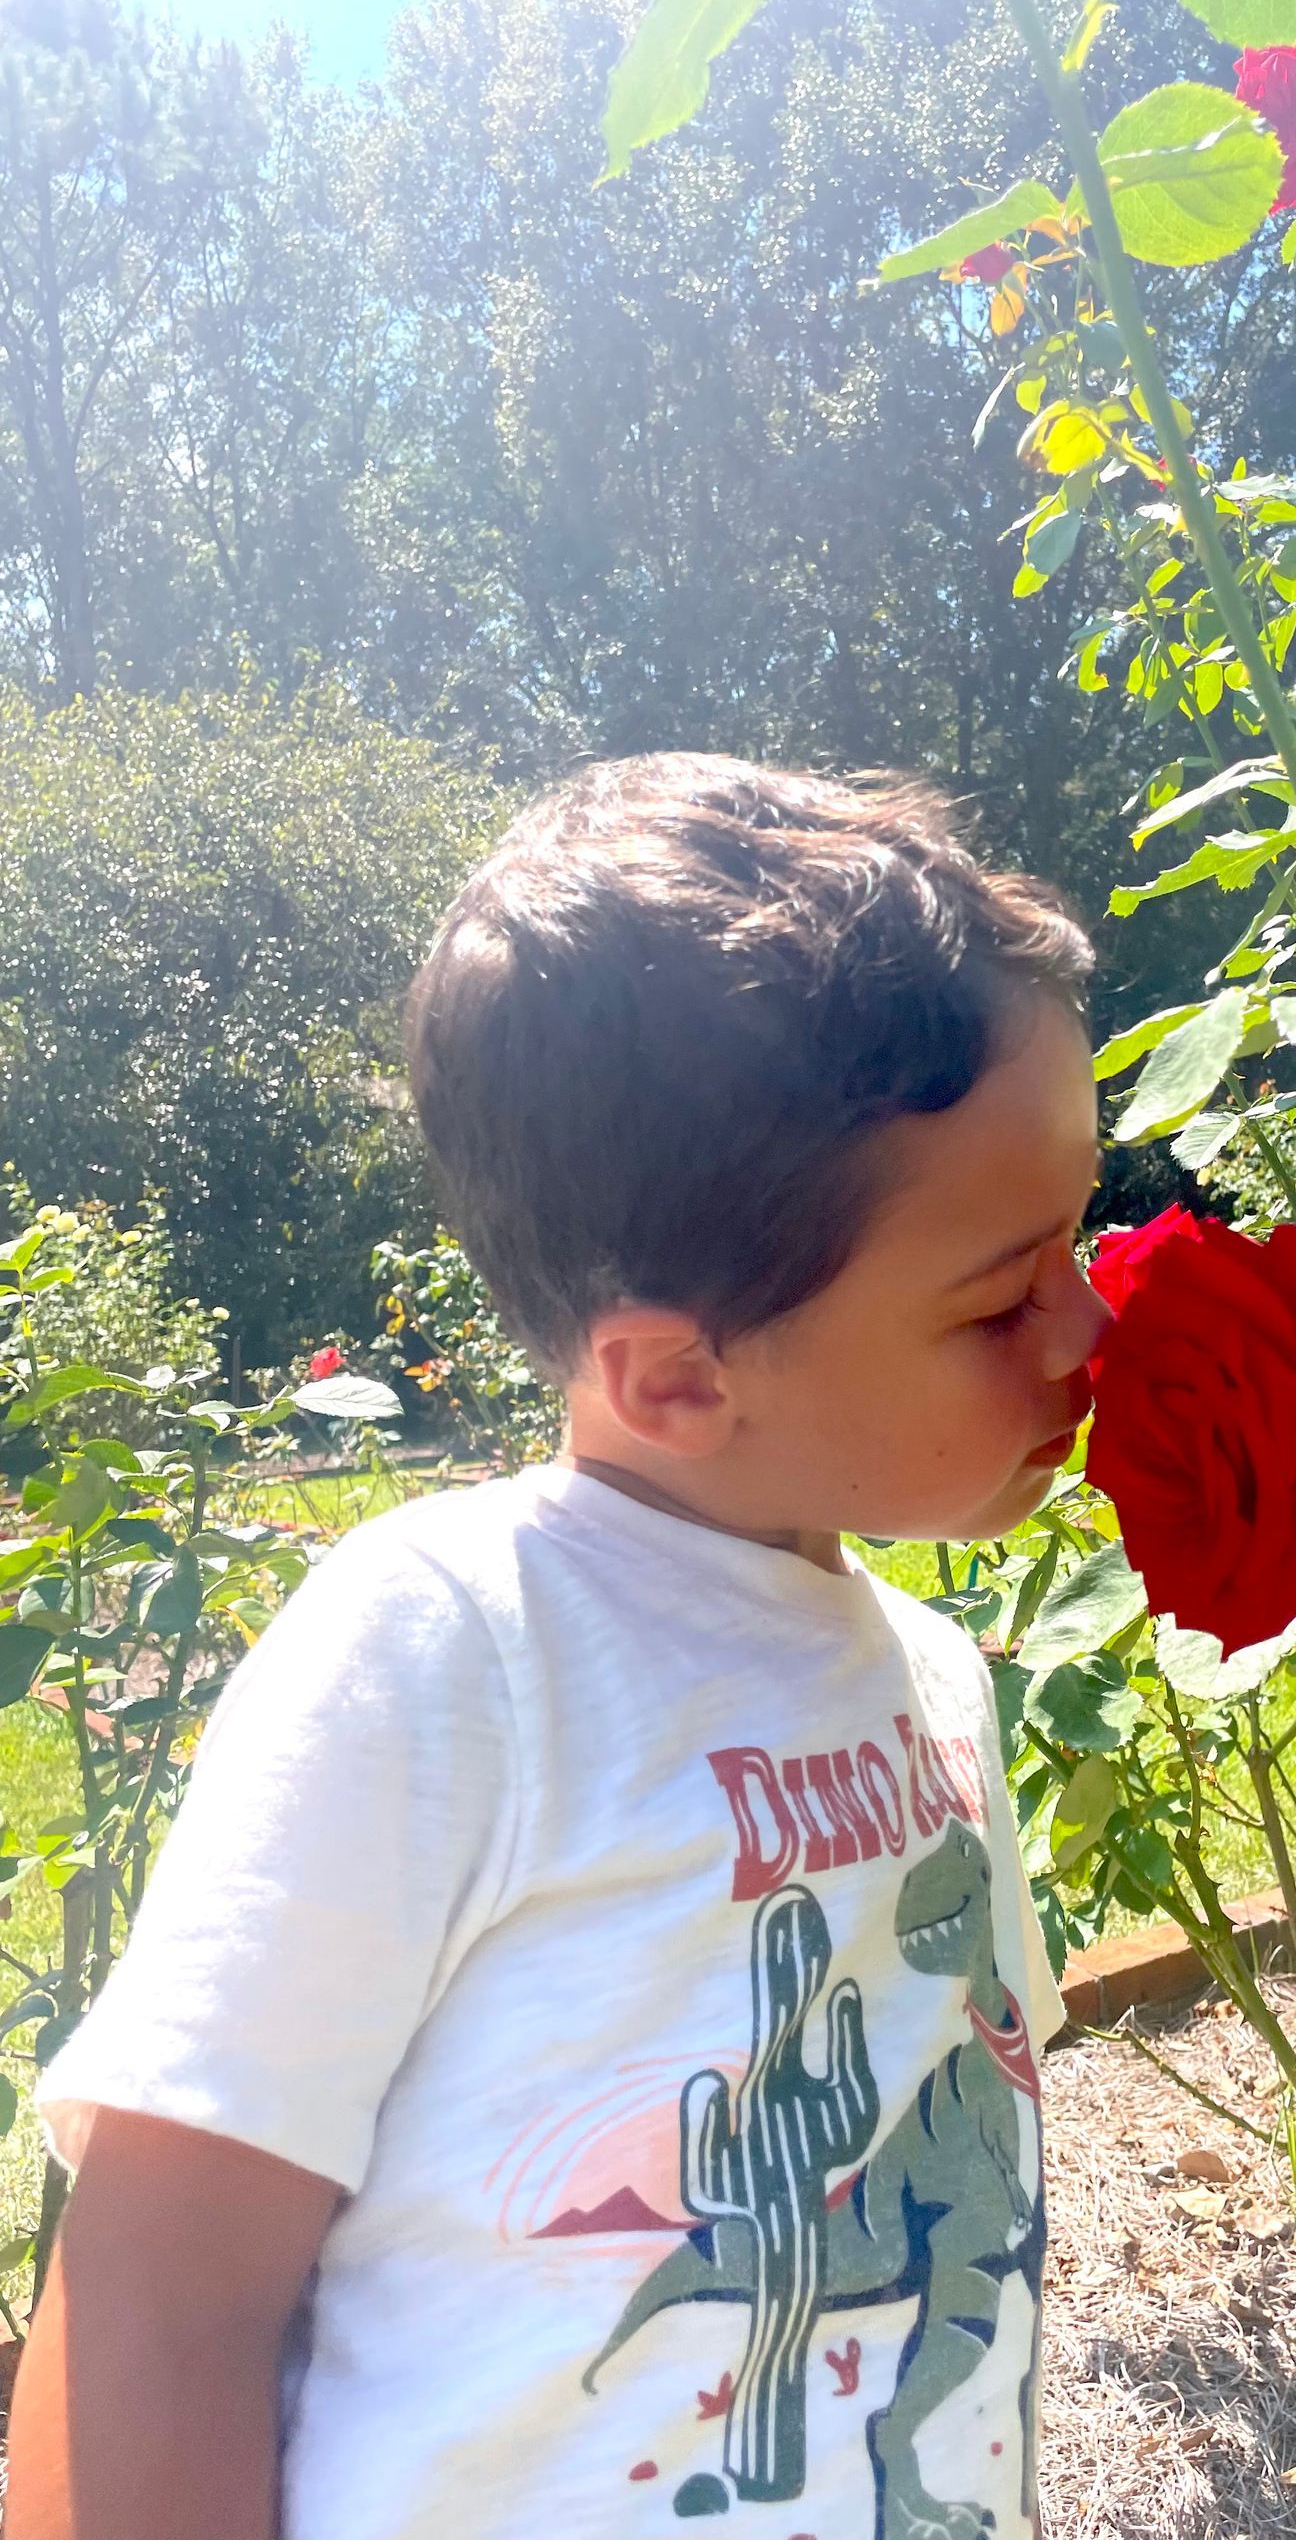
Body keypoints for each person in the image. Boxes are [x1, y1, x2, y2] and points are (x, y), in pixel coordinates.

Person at [9, 754, 1109, 2540]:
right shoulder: (450, 1650)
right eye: (1001, 1291)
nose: (1087, 1320)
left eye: (1076, 1230)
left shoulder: (932, 1674)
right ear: (675, 1379)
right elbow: (161, 2288)